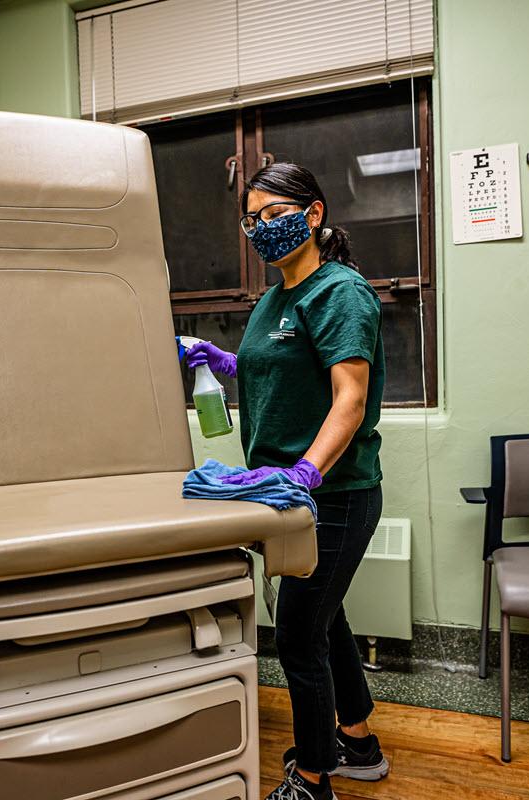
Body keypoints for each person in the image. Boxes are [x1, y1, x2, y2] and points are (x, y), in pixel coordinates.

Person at [186, 162, 388, 800]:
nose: (262, 228)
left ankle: (312, 778)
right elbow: (278, 367)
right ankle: (358, 744)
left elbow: (347, 400)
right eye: (253, 219)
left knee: (299, 636)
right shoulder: (274, 298)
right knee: (326, 622)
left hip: (333, 494)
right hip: (280, 494)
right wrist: (225, 362)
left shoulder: (340, 292)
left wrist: (307, 471)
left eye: (276, 214)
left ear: (315, 214)